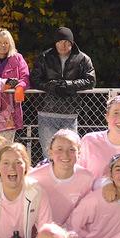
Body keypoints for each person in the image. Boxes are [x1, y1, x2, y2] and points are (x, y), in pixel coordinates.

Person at [30, 26, 96, 157]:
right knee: (49, 153)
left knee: (70, 153)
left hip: (70, 113)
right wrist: (51, 86)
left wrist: (69, 85)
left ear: (72, 43)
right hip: (46, 111)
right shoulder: (44, 57)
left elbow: (91, 80)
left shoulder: (82, 59)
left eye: (67, 42)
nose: (63, 45)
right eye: (60, 41)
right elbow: (34, 79)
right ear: (55, 43)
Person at [29, 129, 93, 225]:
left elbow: (87, 212)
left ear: (79, 153)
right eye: (59, 149)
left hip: (72, 233)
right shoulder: (35, 177)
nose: (65, 154)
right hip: (41, 233)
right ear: (50, 152)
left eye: (71, 150)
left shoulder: (87, 178)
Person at [78, 95, 120, 182]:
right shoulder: (90, 141)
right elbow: (78, 174)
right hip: (94, 195)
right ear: (107, 116)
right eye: (116, 113)